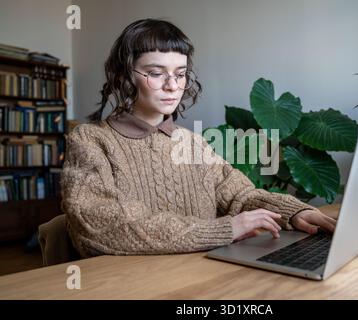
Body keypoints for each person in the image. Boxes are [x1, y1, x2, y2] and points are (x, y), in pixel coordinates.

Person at [61, 18, 336, 258]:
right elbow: (99, 225)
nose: (172, 85)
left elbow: (241, 196)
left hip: (200, 276)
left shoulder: (194, 144)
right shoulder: (90, 140)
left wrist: (293, 212)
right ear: (125, 75)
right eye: (156, 73)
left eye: (180, 74)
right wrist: (223, 230)